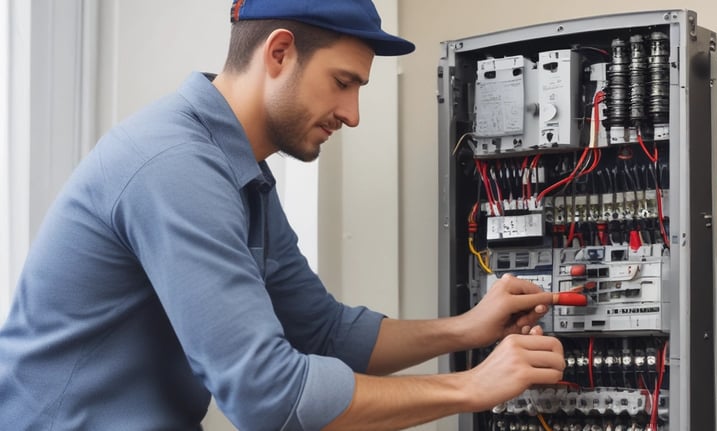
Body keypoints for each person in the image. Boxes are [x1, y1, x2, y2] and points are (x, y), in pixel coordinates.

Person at [0, 0, 565, 429]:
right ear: (279, 53)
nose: (352, 114)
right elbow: (267, 395)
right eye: (343, 83)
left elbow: (322, 332)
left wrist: (466, 328)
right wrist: (471, 387)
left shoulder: (240, 173)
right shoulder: (174, 165)